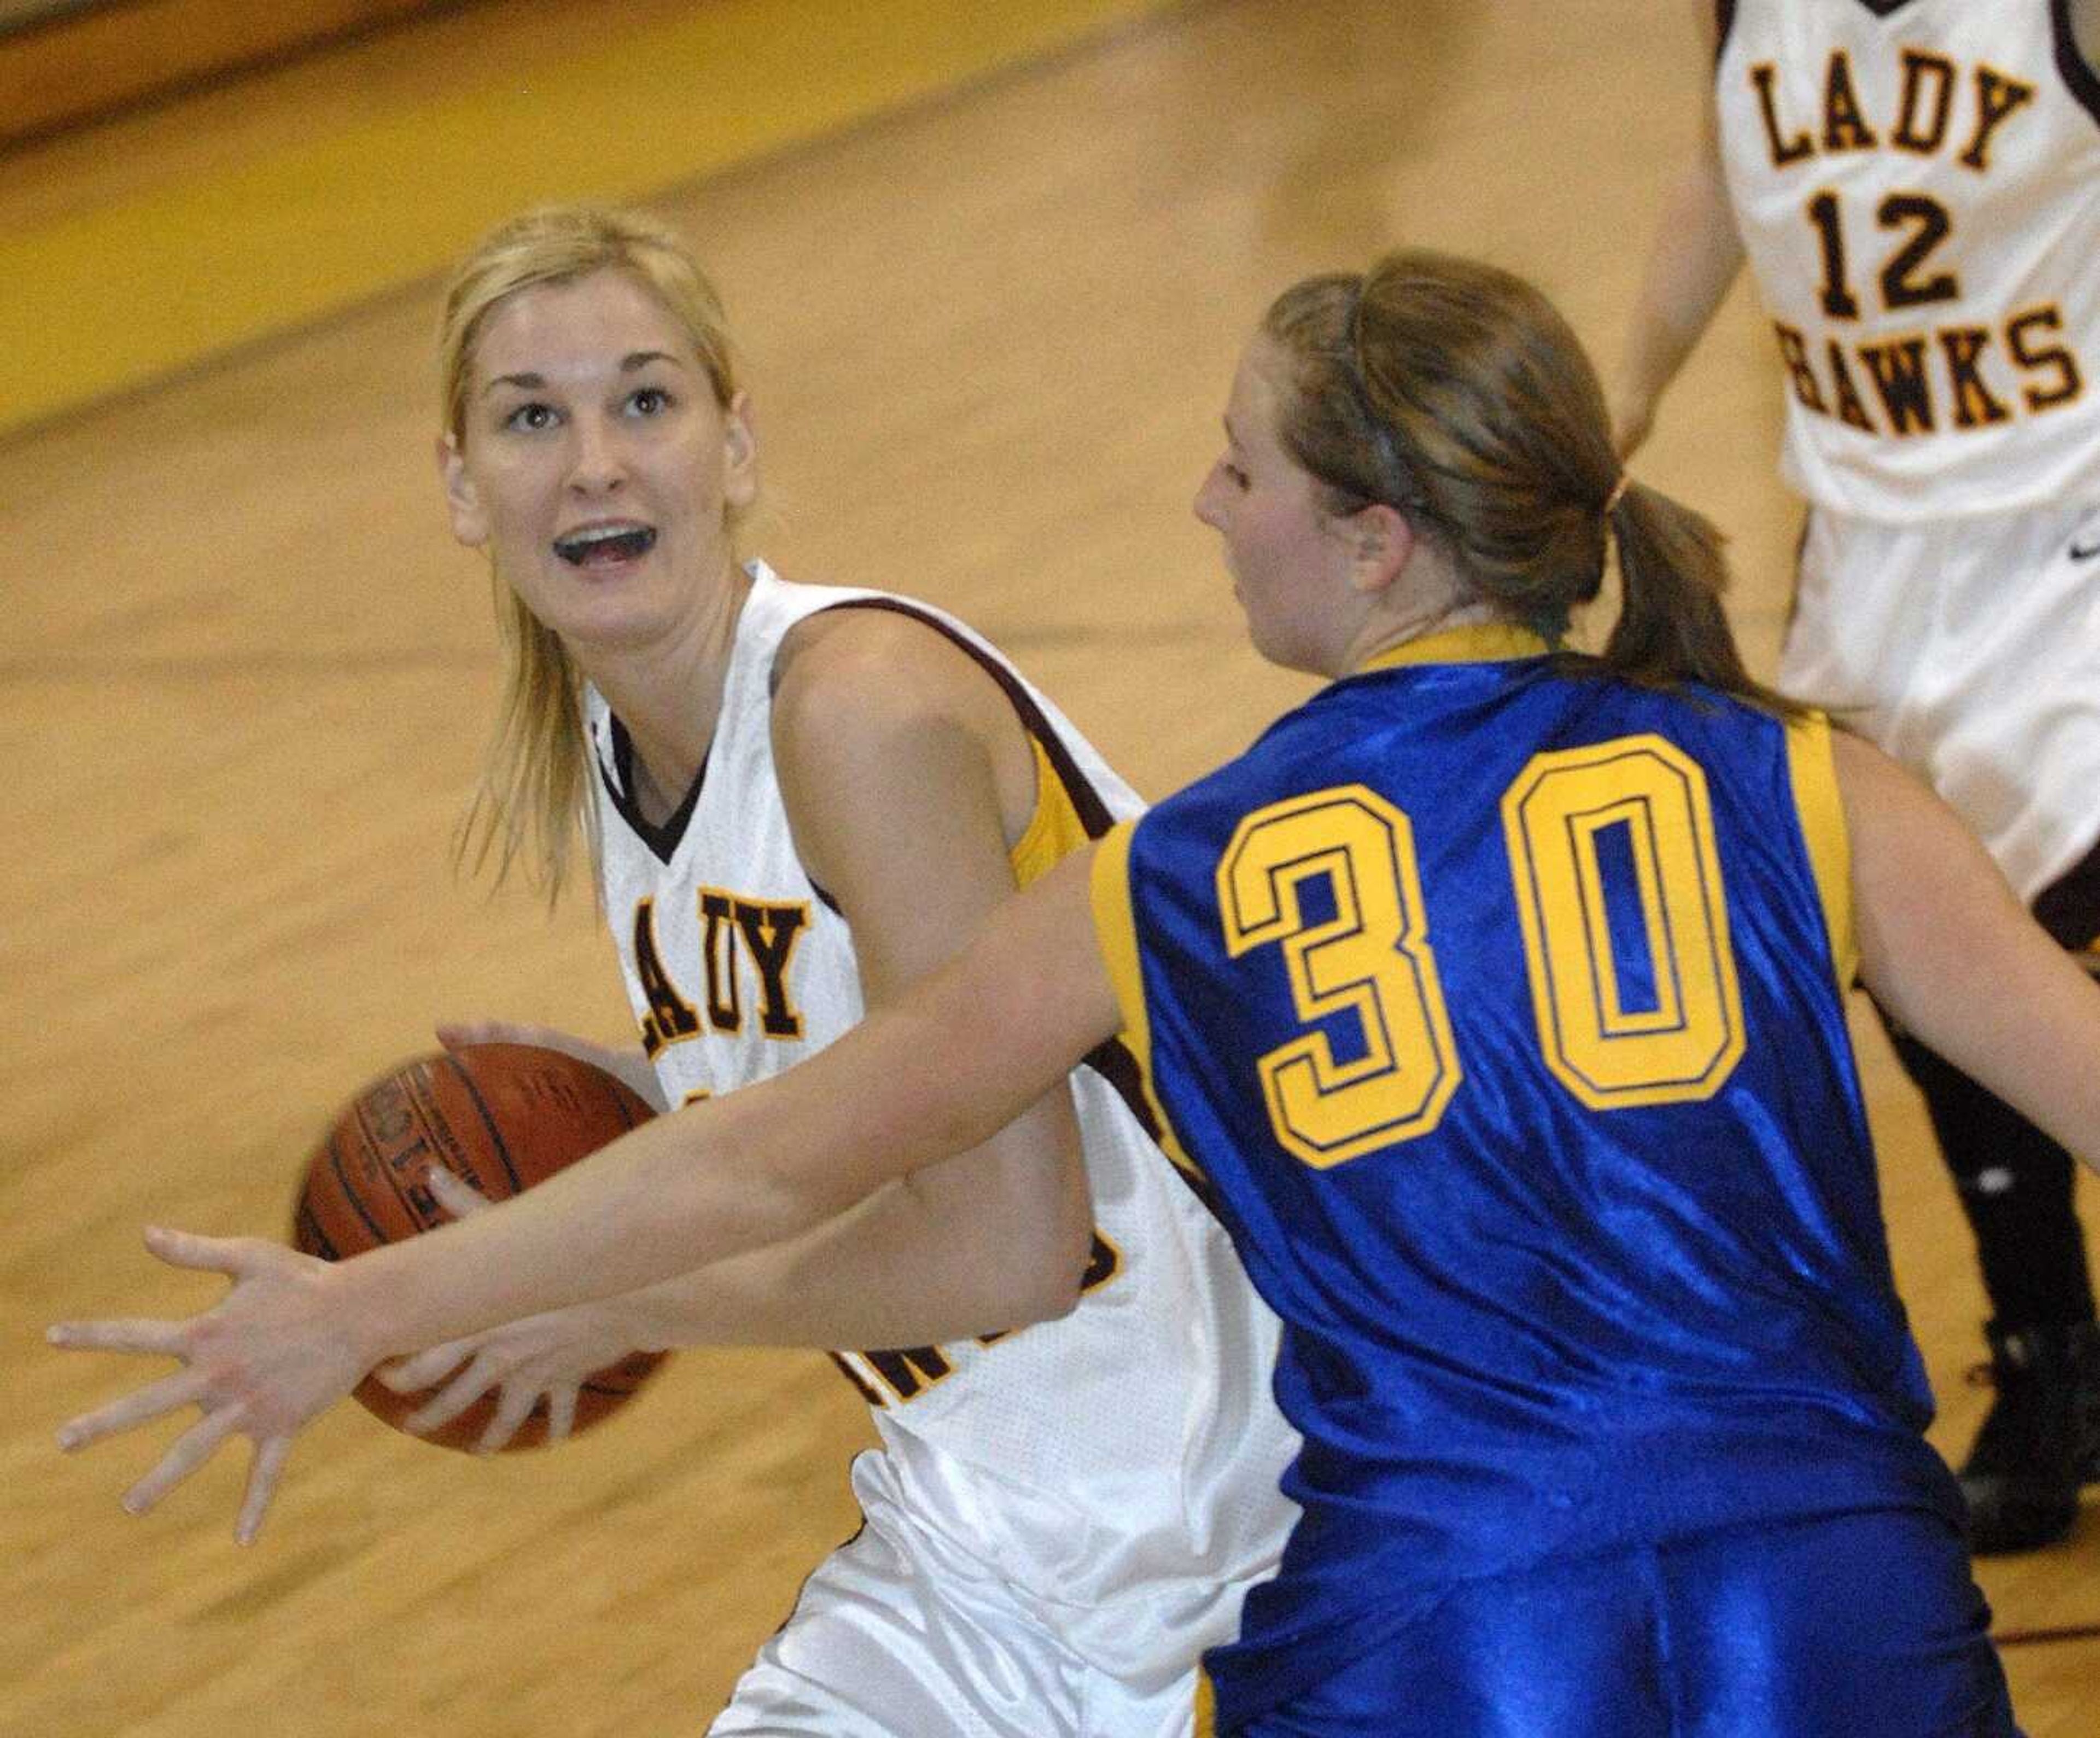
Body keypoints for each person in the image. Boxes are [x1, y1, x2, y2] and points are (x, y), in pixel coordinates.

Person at [55, 247, 2100, 1734]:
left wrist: (371, 1303)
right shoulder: (1817, 785)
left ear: (1374, 541)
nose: (1206, 507)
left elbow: (792, 1166)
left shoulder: (1183, 873)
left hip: (1431, 1616)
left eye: (1240, 471)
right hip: (1850, 1592)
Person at [58, 204, 1304, 1737]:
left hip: (1244, 1523)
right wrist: (652, 1116)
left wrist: (589, 1288)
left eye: (644, 400)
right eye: (532, 418)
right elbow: (886, 1083)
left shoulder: (858, 709)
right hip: (997, 1544)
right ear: (462, 483)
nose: (594, 460)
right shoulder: (622, 743)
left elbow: (1009, 1249)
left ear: (735, 444)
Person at [1609, 0, 2100, 1553]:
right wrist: (1623, 388)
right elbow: (1722, 164)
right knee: (1927, 970)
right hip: (1873, 552)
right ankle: (2052, 1353)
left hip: (2072, 526)